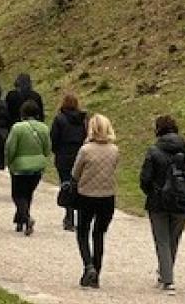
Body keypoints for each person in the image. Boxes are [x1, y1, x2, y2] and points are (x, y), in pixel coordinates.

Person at [140, 115, 185, 296]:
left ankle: (167, 279)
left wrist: (152, 192)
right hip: (182, 202)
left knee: (162, 240)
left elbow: (145, 179)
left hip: (158, 202)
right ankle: (166, 272)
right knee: (174, 239)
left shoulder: (153, 152)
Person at [71, 114, 119, 289]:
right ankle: (96, 273)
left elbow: (75, 173)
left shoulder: (85, 150)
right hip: (107, 197)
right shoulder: (114, 150)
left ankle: (88, 265)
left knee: (82, 232)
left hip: (86, 196)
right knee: (99, 234)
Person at [5, 100, 51, 236]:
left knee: (17, 195)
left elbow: (10, 147)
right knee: (28, 194)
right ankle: (21, 221)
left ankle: (26, 218)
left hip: (20, 167)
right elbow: (47, 148)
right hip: (37, 167)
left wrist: (9, 161)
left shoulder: (17, 128)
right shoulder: (44, 128)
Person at [50, 92, 88, 231]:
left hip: (63, 156)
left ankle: (69, 217)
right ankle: (80, 217)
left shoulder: (59, 119)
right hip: (80, 155)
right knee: (79, 186)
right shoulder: (84, 120)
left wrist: (57, 151)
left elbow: (53, 139)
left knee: (66, 185)